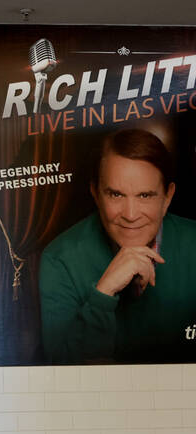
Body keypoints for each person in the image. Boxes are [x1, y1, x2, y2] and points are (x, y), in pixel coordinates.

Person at [40, 128, 196, 363]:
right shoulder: (59, 259)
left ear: (167, 198)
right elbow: (64, 376)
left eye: (145, 196)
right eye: (116, 195)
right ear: (95, 193)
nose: (130, 215)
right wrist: (104, 293)